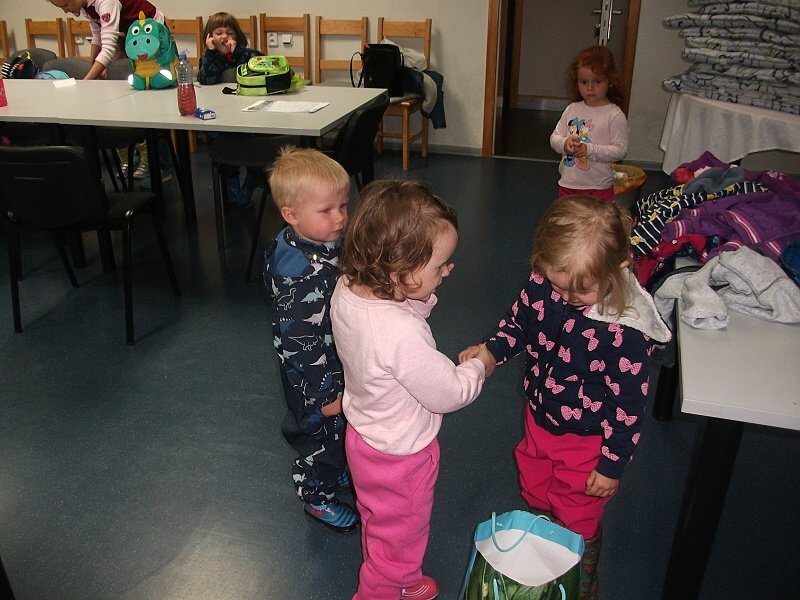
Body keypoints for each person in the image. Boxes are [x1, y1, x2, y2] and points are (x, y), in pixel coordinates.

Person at [458, 196, 670, 600]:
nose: (567, 296)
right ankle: (548, 544)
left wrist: (611, 465)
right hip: (539, 421)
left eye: (582, 289)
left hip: (586, 442)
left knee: (579, 514)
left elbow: (628, 407)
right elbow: (517, 326)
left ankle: (581, 580)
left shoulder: (622, 332)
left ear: (618, 268)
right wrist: (490, 353)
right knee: (536, 491)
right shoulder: (543, 286)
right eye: (558, 284)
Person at [330, 179, 495, 600]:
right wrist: (479, 365)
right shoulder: (400, 333)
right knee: (401, 534)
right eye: (440, 266)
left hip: (365, 437)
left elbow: (394, 329)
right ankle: (386, 586)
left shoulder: (349, 287)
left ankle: (402, 575)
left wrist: (420, 292)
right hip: (402, 456)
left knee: (381, 520)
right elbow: (449, 393)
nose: (447, 271)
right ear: (400, 273)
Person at [262, 146, 359, 534]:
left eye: (343, 205)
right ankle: (317, 497)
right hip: (315, 378)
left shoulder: (310, 240)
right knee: (319, 439)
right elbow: (299, 344)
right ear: (292, 215)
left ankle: (333, 471)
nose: (340, 218)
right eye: (327, 210)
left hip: (331, 360)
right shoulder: (300, 275)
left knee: (338, 434)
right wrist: (323, 395)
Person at [198, 11, 263, 208]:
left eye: (229, 33)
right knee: (227, 153)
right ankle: (233, 189)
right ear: (209, 37)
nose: (224, 37)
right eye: (218, 33)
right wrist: (212, 53)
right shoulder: (209, 58)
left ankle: (251, 181)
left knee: (254, 151)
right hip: (222, 116)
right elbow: (206, 79)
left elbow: (261, 60)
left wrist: (237, 53)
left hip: (248, 116)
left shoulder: (244, 54)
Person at [550, 46, 628, 203]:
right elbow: (554, 137)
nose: (590, 88)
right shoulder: (572, 109)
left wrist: (589, 150)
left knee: (598, 219)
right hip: (569, 184)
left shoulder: (614, 115)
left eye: (597, 82)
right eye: (584, 82)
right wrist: (564, 143)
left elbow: (620, 150)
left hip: (598, 187)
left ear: (610, 81)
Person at [48, 0, 165, 81]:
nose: (65, 11)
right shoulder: (85, 6)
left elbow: (108, 48)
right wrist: (92, 67)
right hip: (132, 33)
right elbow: (97, 36)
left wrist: (85, 83)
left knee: (154, 73)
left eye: (65, 5)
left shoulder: (105, 2)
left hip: (152, 30)